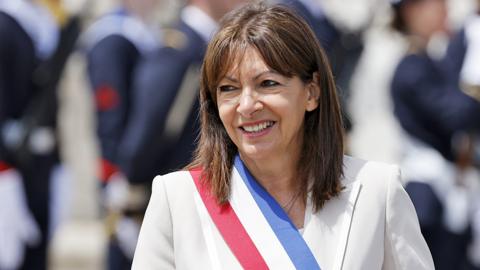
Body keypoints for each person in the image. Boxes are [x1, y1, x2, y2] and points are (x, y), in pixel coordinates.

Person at [132, 2, 433, 269]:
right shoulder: (178, 199)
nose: (247, 106)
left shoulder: (377, 192)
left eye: (268, 83)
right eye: (228, 88)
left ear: (312, 92)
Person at [390, 0, 480, 269]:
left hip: (447, 186)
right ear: (412, 11)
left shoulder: (432, 60)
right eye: (437, 3)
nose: (446, 10)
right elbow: (457, 114)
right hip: (427, 190)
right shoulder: (412, 67)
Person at [83, 0, 162, 269]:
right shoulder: (113, 38)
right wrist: (117, 174)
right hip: (123, 171)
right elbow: (110, 112)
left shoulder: (141, 31)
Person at [0, 0, 76, 269]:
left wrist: (56, 162)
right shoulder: (6, 22)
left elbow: (48, 103)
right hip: (9, 171)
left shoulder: (45, 21)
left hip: (39, 165)